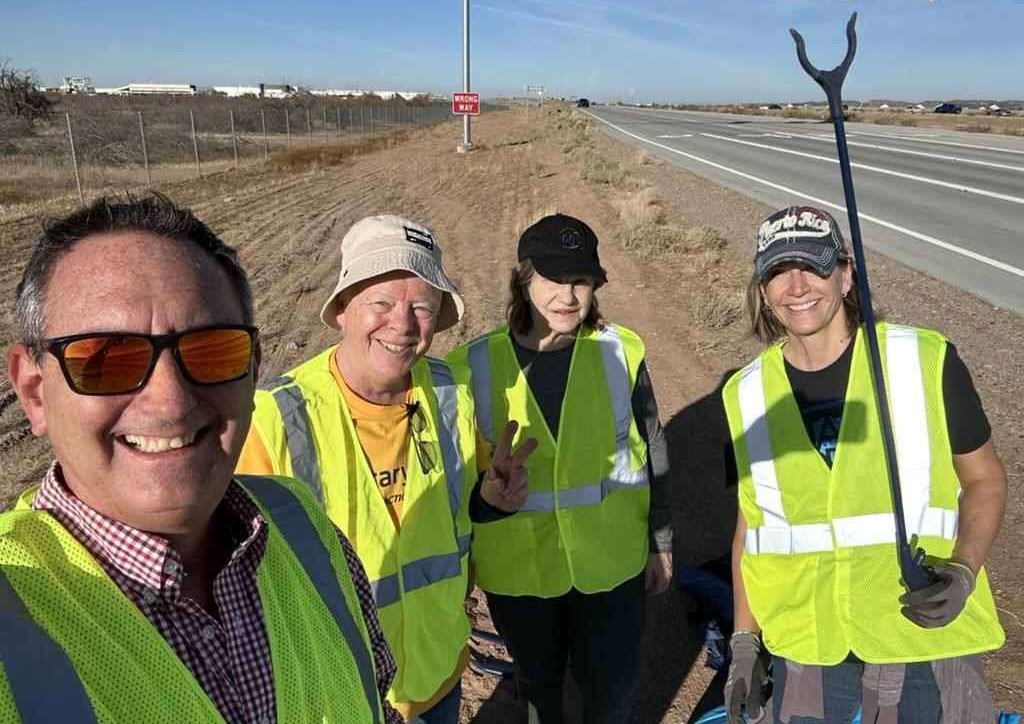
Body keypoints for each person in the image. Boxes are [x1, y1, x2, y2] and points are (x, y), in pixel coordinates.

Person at [2, 193, 402, 723]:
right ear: (34, 393)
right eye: (108, 358)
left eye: (211, 350)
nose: (170, 402)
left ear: (253, 371)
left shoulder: (302, 526)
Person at [237, 213, 534, 723]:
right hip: (342, 696)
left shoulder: (450, 395)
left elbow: (459, 516)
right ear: (343, 308)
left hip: (439, 672)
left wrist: (491, 501)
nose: (403, 325)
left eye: (423, 306)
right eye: (381, 303)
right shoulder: (274, 421)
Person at [722, 205, 1007, 723]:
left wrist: (964, 571)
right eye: (779, 272)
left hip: (915, 628)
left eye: (814, 265)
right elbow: (754, 527)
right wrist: (745, 639)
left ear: (846, 274)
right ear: (762, 289)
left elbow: (984, 478)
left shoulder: (924, 361)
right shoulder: (745, 393)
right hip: (806, 641)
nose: (797, 286)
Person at [446, 213, 674, 724]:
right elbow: (455, 487)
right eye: (553, 278)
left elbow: (653, 443)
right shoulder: (470, 367)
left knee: (610, 694)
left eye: (582, 281)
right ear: (523, 281)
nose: (568, 296)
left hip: (612, 564)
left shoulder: (621, 350)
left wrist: (660, 541)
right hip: (518, 575)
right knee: (538, 689)